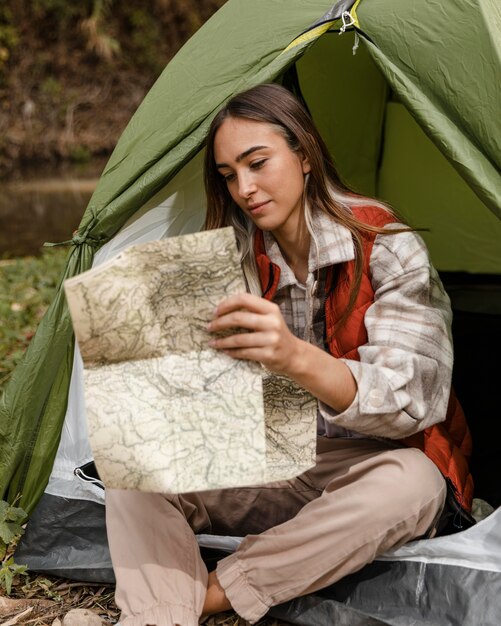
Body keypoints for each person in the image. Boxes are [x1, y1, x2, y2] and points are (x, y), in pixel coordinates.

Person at [105, 83, 472, 626]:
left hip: (377, 464)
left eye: (257, 163)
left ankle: (211, 596)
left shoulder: (389, 245)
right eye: (230, 175)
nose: (245, 188)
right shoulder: (235, 252)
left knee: (414, 483)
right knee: (132, 466)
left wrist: (292, 356)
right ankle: (160, 617)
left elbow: (410, 403)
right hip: (280, 455)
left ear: (303, 154)